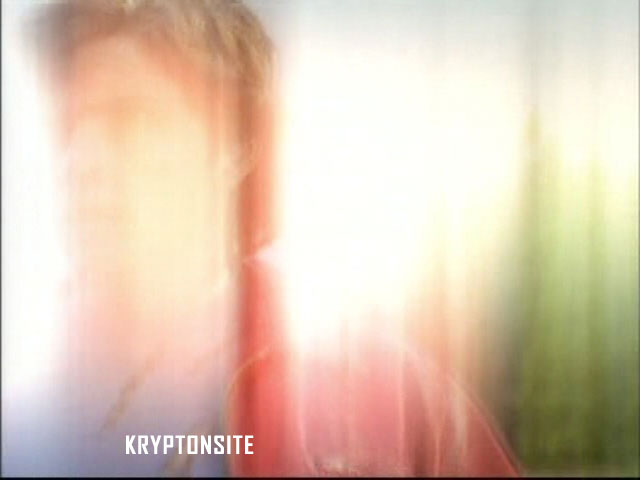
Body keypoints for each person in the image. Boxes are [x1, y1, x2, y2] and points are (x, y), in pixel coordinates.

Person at [7, 0, 520, 476]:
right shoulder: (21, 407)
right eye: (69, 123)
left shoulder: (388, 397)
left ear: (235, 142)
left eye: (130, 118)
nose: (83, 159)